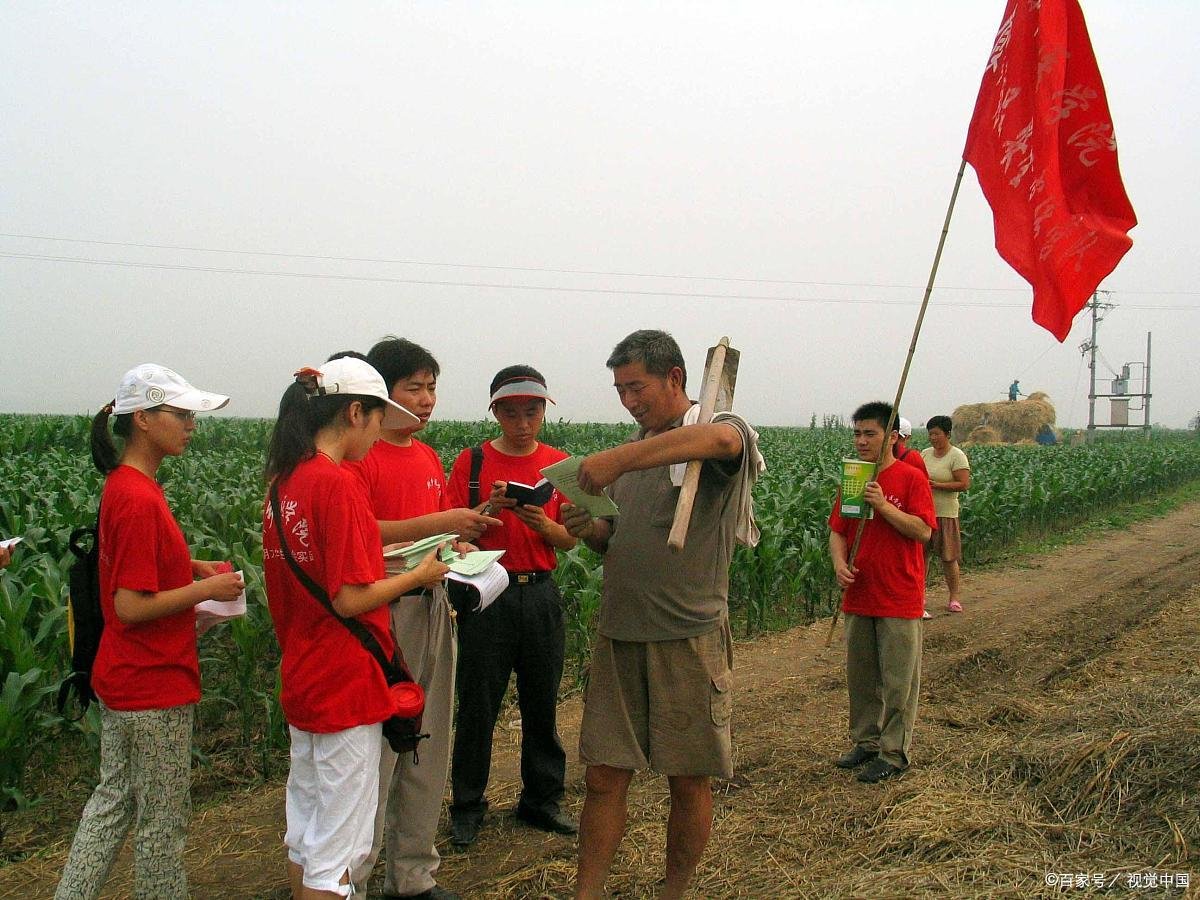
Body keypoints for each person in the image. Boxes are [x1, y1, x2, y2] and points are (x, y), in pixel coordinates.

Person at [562, 330, 763, 900]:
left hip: (687, 638)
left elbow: (724, 443)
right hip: (619, 635)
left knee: (687, 781)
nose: (628, 400)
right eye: (620, 389)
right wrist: (592, 530)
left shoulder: (718, 432)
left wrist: (618, 457)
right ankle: (588, 893)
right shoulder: (638, 452)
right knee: (603, 777)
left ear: (676, 378)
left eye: (637, 387)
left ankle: (674, 892)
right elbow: (617, 541)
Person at [263, 357, 450, 900]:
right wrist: (419, 573)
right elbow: (349, 598)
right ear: (353, 412)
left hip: (304, 676)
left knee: (305, 834)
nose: (377, 432)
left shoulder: (284, 482)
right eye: (376, 417)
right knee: (340, 853)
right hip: (346, 682)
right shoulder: (336, 484)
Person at [55, 364, 244, 900]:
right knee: (162, 822)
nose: (191, 425)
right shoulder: (139, 498)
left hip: (122, 675)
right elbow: (131, 605)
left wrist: (194, 566)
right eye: (181, 414)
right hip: (152, 682)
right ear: (143, 418)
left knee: (112, 802)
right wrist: (209, 592)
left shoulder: (124, 485)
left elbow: (134, 567)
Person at [346, 337, 499, 900]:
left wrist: (459, 535)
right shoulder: (359, 459)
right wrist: (438, 522)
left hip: (434, 604)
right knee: (382, 750)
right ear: (380, 393)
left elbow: (426, 530)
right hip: (385, 613)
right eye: (415, 387)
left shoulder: (427, 456)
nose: (428, 399)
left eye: (433, 386)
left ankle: (413, 876)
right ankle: (352, 881)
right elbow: (363, 532)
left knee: (427, 744)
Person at [445, 366, 579, 847]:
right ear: (496, 411)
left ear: (544, 411)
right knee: (478, 703)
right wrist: (491, 512)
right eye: (512, 412)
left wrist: (540, 523)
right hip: (486, 593)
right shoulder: (473, 463)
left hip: (540, 592)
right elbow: (453, 534)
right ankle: (467, 805)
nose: (523, 423)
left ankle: (541, 801)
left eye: (532, 411)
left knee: (541, 702)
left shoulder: (559, 465)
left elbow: (567, 542)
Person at [828, 401, 935, 784]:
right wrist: (839, 565)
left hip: (899, 596)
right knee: (861, 677)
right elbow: (838, 529)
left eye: (869, 433)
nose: (861, 440)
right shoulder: (854, 478)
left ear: (891, 437)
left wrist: (882, 506)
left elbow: (923, 531)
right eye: (857, 433)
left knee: (898, 681)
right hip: (860, 594)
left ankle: (893, 752)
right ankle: (866, 742)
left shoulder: (910, 478)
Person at [921, 415, 971, 613]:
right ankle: (919, 596)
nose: (933, 438)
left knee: (948, 558)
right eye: (930, 434)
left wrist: (937, 485)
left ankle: (954, 597)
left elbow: (964, 484)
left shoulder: (956, 456)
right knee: (921, 557)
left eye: (937, 434)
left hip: (946, 514)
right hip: (924, 513)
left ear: (947, 434)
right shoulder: (924, 454)